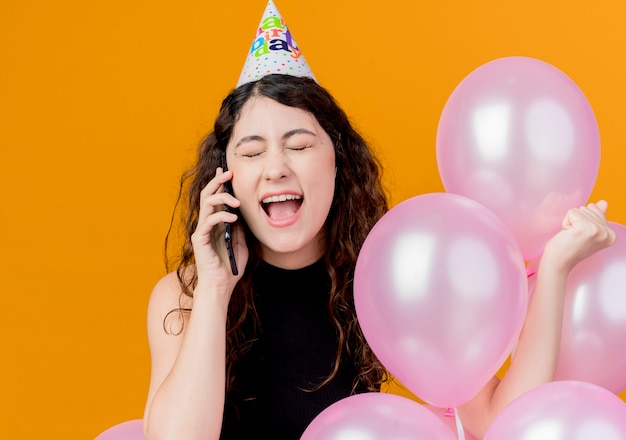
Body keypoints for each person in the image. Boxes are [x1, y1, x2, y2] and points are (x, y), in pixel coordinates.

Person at [142, 2, 616, 439]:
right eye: (251, 151)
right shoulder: (185, 296)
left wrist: (554, 268)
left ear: (337, 162)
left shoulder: (390, 279)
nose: (276, 167)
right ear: (226, 180)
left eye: (300, 145)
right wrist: (214, 288)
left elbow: (497, 422)